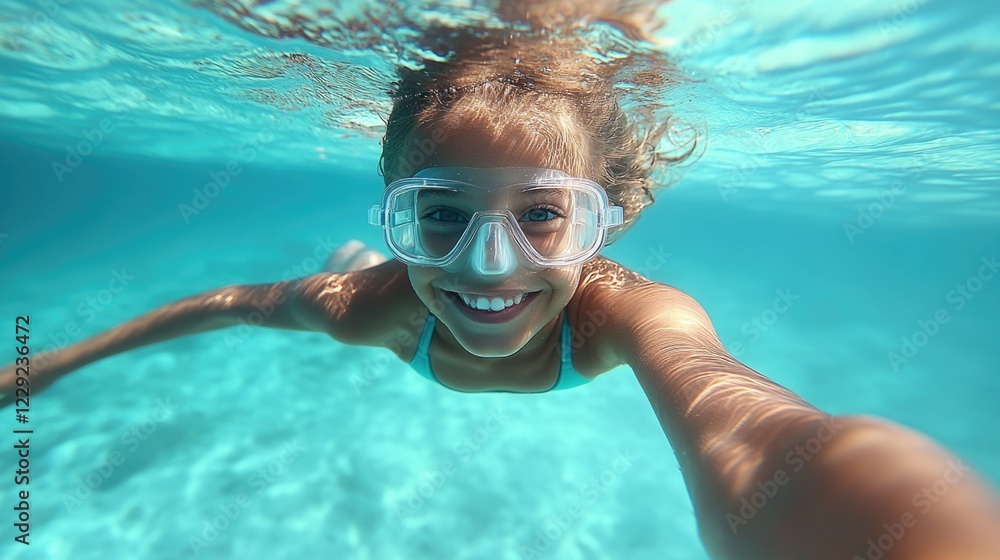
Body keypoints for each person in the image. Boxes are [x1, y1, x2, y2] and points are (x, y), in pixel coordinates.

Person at [3, 16, 1000, 560]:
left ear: (610, 219)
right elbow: (225, 303)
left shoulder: (629, 315)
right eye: (438, 213)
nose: (489, 262)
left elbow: (757, 438)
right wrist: (52, 364)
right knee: (348, 283)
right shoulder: (375, 306)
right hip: (385, 292)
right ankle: (361, 248)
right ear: (395, 207)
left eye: (542, 214)